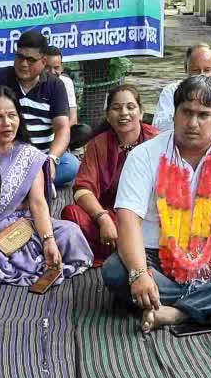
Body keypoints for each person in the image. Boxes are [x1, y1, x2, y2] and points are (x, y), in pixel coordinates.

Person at [102, 76, 211, 333]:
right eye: (186, 112)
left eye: (203, 115)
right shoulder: (144, 155)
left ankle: (177, 312)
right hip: (156, 256)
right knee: (116, 271)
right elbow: (128, 220)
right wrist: (139, 273)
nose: (193, 123)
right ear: (174, 114)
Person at [0, 85, 93, 286]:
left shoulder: (30, 155)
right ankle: (19, 265)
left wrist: (48, 241)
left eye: (12, 115)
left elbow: (38, 203)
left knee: (70, 232)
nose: (7, 123)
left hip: (22, 229)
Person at [61, 84, 159, 265]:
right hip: (110, 220)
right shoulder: (98, 144)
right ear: (108, 115)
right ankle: (125, 249)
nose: (124, 113)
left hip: (147, 219)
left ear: (141, 112)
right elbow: (82, 188)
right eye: (116, 108)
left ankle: (123, 249)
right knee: (71, 214)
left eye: (130, 107)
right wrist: (103, 218)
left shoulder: (157, 141)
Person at [0, 30, 81, 187]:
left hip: (42, 156)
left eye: (30, 60)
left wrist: (52, 159)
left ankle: (29, 182)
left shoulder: (55, 85)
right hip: (3, 156)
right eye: (19, 57)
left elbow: (62, 128)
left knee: (71, 166)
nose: (23, 64)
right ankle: (35, 183)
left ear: (44, 61)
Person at [152, 43, 211, 137]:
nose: (201, 75)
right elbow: (159, 127)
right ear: (186, 68)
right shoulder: (171, 92)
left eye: (207, 70)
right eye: (196, 70)